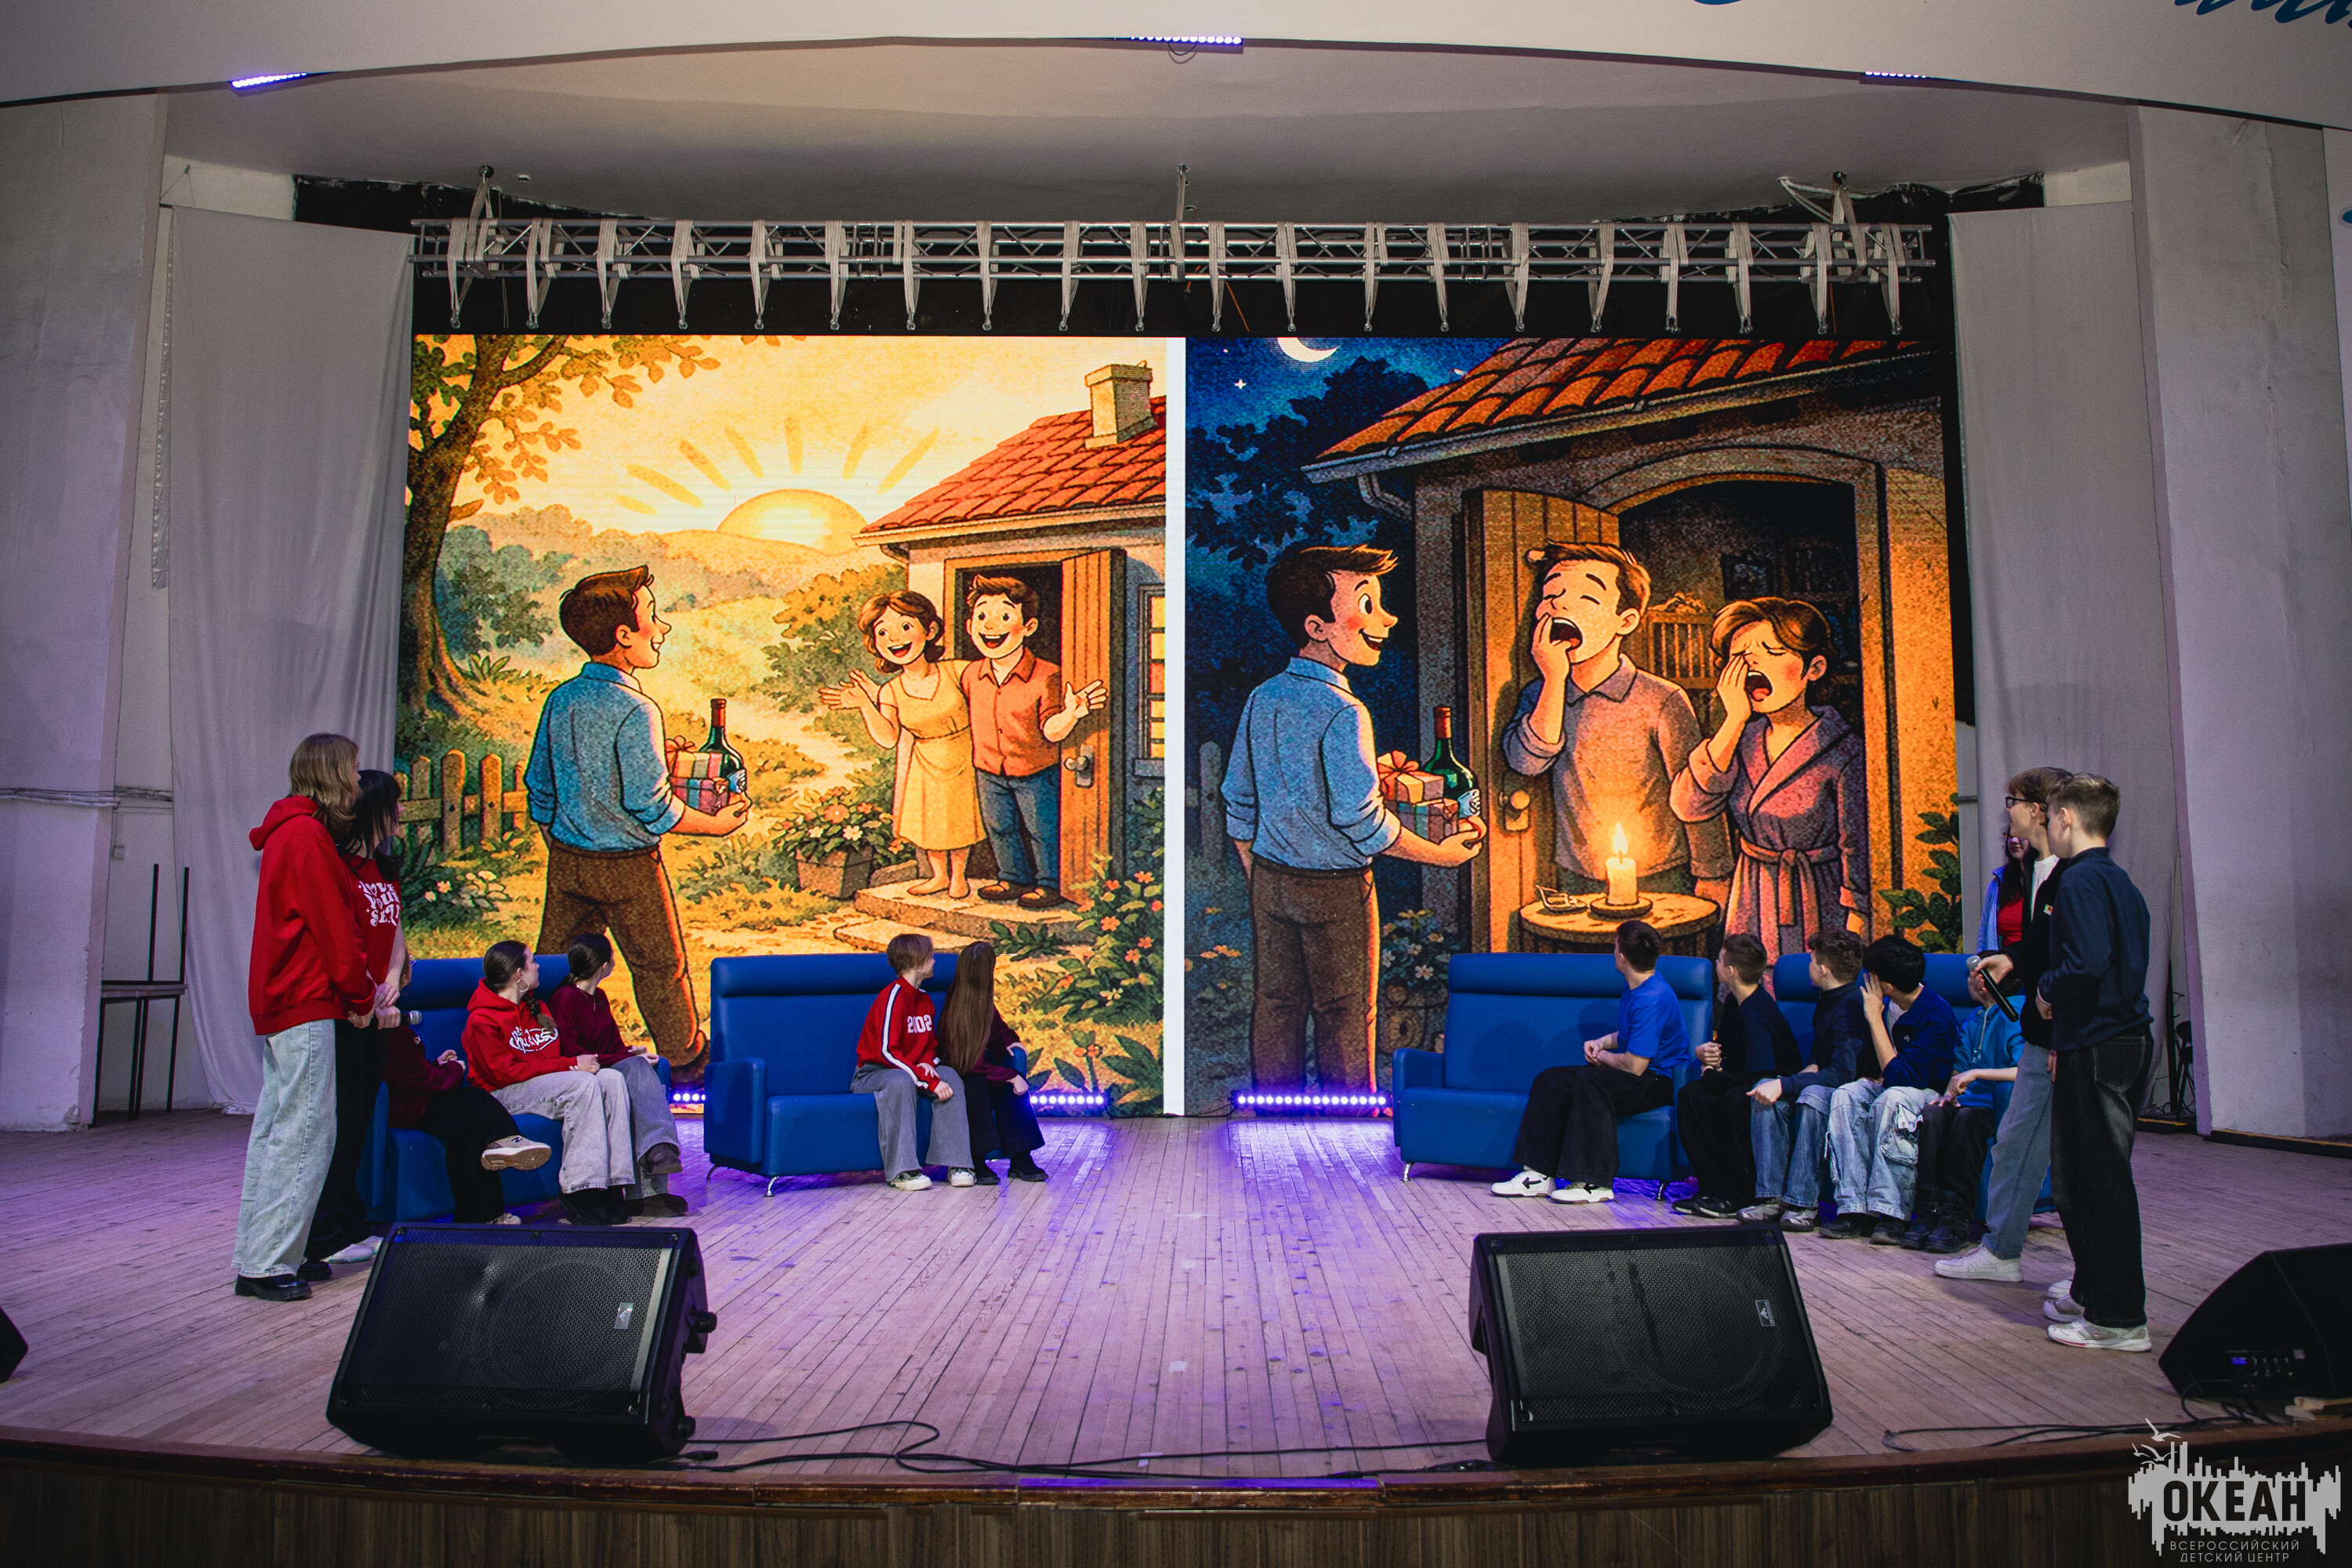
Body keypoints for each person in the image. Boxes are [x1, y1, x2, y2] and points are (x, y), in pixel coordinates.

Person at [1222, 544, 1486, 1092]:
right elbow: (1363, 822)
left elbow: (1240, 801)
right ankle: (1348, 1116)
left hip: (1270, 879)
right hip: (1337, 889)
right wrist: (1441, 855)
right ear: (1316, 627)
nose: (1387, 620)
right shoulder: (1345, 710)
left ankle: (1273, 1111)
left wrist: (1258, 876)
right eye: (1367, 605)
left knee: (1276, 1006)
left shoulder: (1264, 696)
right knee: (1345, 1011)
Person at [526, 566, 750, 1075]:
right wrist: (716, 825)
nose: (662, 628)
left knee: (554, 966)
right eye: (653, 616)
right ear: (624, 635)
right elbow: (653, 807)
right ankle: (686, 1061)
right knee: (659, 967)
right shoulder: (637, 708)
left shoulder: (561, 698)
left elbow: (541, 784)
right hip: (629, 866)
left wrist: (564, 839)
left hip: (569, 861)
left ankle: (539, 1054)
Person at [1502, 543, 1730, 906]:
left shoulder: (1662, 698)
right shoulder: (1541, 693)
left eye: (1586, 597)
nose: (1560, 605)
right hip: (1576, 874)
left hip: (1661, 874)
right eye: (1551, 595)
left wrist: (1712, 873)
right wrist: (1554, 680)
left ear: (1626, 621)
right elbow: (1526, 762)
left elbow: (1697, 794)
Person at [233, 734, 375, 1301]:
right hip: (306, 998)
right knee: (306, 1132)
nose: (359, 781)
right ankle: (270, 1262)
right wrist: (361, 999)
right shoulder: (309, 837)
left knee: (275, 1132)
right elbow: (335, 931)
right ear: (334, 774)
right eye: (354, 770)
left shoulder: (287, 832)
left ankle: (260, 1253)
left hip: (283, 1000)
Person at [2029, 774, 2158, 1352]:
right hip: (2113, 1040)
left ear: (2066, 818)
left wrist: (2047, 990)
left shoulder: (2078, 881)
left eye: (2050, 816)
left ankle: (2119, 1318)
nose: (2047, 826)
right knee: (2081, 1181)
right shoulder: (2118, 880)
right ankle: (2093, 1293)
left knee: (2097, 1183)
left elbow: (2086, 963)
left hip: (2101, 1043)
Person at [1670, 597, 1870, 962]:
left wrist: (1856, 924)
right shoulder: (1741, 740)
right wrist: (1734, 720)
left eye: (1772, 652)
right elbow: (1689, 805)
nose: (1752, 664)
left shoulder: (1844, 749)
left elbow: (1857, 849)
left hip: (1819, 901)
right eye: (1739, 656)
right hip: (1752, 896)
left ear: (1814, 668)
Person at [1936, 766, 2075, 1286]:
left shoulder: (2075, 874)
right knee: (2016, 1142)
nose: (2007, 812)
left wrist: (2049, 1005)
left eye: (2013, 802)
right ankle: (2001, 1250)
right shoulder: (2032, 873)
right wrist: (2010, 959)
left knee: (2077, 1159)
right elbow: (2037, 945)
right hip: (2040, 1028)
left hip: (2065, 1034)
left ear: (2038, 810)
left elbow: (2081, 959)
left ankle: (2097, 1283)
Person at [1490, 920, 1693, 1204]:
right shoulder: (1638, 986)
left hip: (1659, 1081)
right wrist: (1603, 1043)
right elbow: (1633, 1034)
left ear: (1623, 956)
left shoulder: (1652, 997)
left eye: (1615, 946)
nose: (1614, 952)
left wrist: (1601, 1058)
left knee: (1591, 1082)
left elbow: (1635, 1067)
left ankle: (1594, 1182)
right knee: (1552, 1080)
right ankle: (1537, 1175)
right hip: (1641, 1074)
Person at [297, 771, 408, 1280]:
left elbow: (395, 931)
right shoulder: (340, 866)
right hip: (346, 1011)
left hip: (377, 1010)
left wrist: (391, 981)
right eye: (395, 804)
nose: (402, 813)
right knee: (337, 1123)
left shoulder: (384, 867)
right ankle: (323, 1232)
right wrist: (365, 990)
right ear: (374, 809)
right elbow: (340, 939)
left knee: (359, 1121)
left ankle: (349, 1221)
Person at [822, 590, 985, 900]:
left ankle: (959, 877)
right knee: (930, 822)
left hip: (964, 754)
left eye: (905, 626)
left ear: (930, 630)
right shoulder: (891, 691)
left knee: (960, 819)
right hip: (925, 760)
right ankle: (939, 876)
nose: (894, 638)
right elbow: (888, 738)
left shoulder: (958, 670)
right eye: (883, 632)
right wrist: (865, 704)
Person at [957, 576, 1107, 911]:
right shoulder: (970, 674)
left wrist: (1072, 714)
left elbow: (1051, 731)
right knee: (1000, 826)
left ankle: (1050, 884)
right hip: (988, 768)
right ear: (970, 626)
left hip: (1035, 770)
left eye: (1004, 616)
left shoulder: (1047, 675)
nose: (990, 626)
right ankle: (1013, 878)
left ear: (1029, 626)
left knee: (1042, 830)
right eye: (982, 616)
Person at [464, 941, 637, 1225]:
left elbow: (549, 1058)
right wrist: (570, 1065)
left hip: (542, 1084)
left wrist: (572, 1064)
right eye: (532, 962)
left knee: (611, 1078)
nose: (539, 966)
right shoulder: (482, 1019)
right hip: (502, 1094)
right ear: (519, 974)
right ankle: (580, 1189)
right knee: (583, 1084)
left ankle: (613, 1184)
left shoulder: (538, 1007)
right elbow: (504, 1074)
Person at [378, 956, 551, 1225]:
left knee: (477, 1098)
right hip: (407, 1107)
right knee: (469, 1117)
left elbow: (413, 1071)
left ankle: (507, 1142)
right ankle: (478, 1216)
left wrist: (437, 1064)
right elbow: (418, 1078)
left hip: (416, 1097)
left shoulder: (395, 1018)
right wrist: (453, 1070)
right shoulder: (388, 1024)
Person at [1820, 936, 1958, 1242]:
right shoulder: (1888, 1005)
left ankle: (1892, 1212)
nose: (1865, 982)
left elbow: (1903, 1078)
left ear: (1887, 985)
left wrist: (1874, 1018)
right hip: (1893, 1085)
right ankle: (1854, 1209)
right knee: (1846, 1095)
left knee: (1892, 1100)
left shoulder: (1936, 1015)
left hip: (1927, 1092)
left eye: (1870, 977)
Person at [544, 931, 688, 1217]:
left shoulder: (599, 997)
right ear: (604, 966)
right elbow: (573, 1051)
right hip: (583, 1072)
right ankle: (658, 1150)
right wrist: (625, 1058)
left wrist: (631, 1052)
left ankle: (651, 1184)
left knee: (642, 1067)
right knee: (634, 1068)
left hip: (605, 1066)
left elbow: (611, 1046)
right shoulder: (565, 998)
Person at [1740, 929, 1870, 1232]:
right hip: (1827, 1080)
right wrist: (1807, 1068)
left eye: (1812, 961)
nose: (1809, 967)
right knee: (1764, 1093)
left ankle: (1803, 1203)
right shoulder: (1827, 997)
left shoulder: (1851, 1007)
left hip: (1851, 1092)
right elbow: (1822, 1053)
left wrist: (1786, 1084)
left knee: (1811, 1097)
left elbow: (1843, 1074)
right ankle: (1770, 1198)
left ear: (1823, 970)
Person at [1671, 933, 1802, 1218]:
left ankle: (1741, 1192)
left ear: (1730, 971)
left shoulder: (1757, 1015)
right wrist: (1707, 1052)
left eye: (1719, 960)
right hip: (1745, 1080)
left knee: (1734, 1100)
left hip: (1773, 1089)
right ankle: (1711, 1187)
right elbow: (1729, 1051)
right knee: (1692, 1095)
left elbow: (1761, 1077)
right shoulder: (1734, 1001)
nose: (1716, 963)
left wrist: (1712, 1077)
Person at [852, 932, 975, 1189]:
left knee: (950, 1076)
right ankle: (903, 1172)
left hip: (910, 1070)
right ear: (917, 961)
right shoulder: (893, 997)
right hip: (874, 1073)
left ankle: (957, 1164)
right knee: (900, 1081)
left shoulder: (924, 999)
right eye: (930, 956)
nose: (934, 961)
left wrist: (929, 1062)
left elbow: (929, 1043)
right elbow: (887, 1052)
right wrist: (928, 1081)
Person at [1901, 1002, 2023, 1253]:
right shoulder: (1974, 1018)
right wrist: (1950, 1094)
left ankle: (1956, 1218)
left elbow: (2021, 1070)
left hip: (1995, 1106)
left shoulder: (2014, 1014)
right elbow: (1960, 1067)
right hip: (1967, 1101)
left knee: (1967, 1119)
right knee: (1933, 1114)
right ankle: (1927, 1211)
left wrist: (1977, 1074)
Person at [935, 939, 1049, 1184]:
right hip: (960, 1072)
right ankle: (977, 1159)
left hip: (979, 1068)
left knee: (1010, 1089)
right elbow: (968, 1064)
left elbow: (997, 1030)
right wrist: (1010, 1075)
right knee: (977, 1086)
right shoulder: (957, 1006)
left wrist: (1010, 1042)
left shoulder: (982, 1000)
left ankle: (1021, 1157)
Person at [1977, 831, 2031, 957]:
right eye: (2010, 836)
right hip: (2002, 962)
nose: (2014, 841)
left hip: (2034, 963)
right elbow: (1984, 932)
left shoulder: (2047, 879)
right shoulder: (1998, 883)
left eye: (2020, 835)